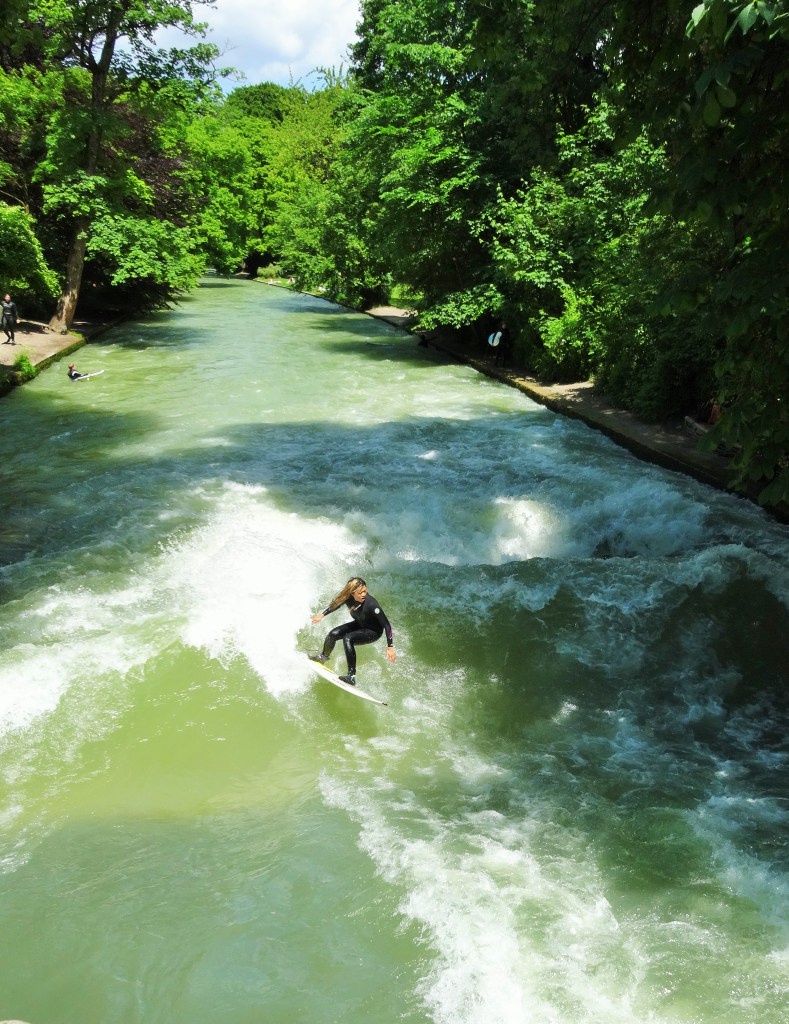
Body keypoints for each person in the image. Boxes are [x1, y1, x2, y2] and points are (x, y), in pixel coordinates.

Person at [310, 576, 396, 686]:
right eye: (360, 592)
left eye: (365, 591)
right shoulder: (348, 597)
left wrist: (390, 647)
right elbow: (335, 605)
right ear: (352, 593)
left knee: (348, 639)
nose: (363, 594)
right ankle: (323, 657)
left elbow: (387, 625)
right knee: (333, 634)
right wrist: (322, 615)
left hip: (373, 631)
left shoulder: (372, 604)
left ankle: (351, 676)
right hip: (360, 624)